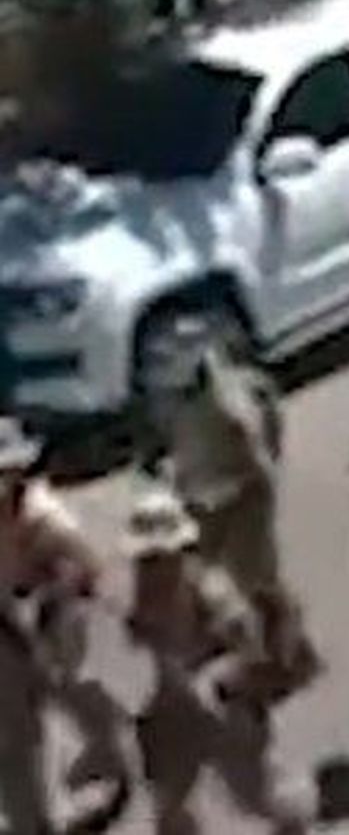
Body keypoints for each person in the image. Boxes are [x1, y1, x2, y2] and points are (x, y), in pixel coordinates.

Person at [124, 487, 309, 835]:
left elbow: (247, 651)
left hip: (223, 706)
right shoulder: (140, 590)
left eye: (158, 555)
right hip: (171, 709)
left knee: (252, 795)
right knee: (168, 799)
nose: (150, 565)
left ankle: (294, 822)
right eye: (145, 556)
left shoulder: (210, 589)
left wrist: (215, 680)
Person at [148, 330, 312, 673]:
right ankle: (215, 638)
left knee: (256, 577)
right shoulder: (177, 402)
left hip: (241, 497)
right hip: (201, 498)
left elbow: (257, 453)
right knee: (194, 570)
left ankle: (284, 648)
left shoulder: (225, 405)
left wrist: (239, 484)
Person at [0, 419, 130, 835]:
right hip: (4, 624)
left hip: (53, 617)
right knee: (12, 736)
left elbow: (90, 572)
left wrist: (54, 598)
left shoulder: (47, 518)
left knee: (73, 688)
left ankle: (110, 755)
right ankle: (29, 822)